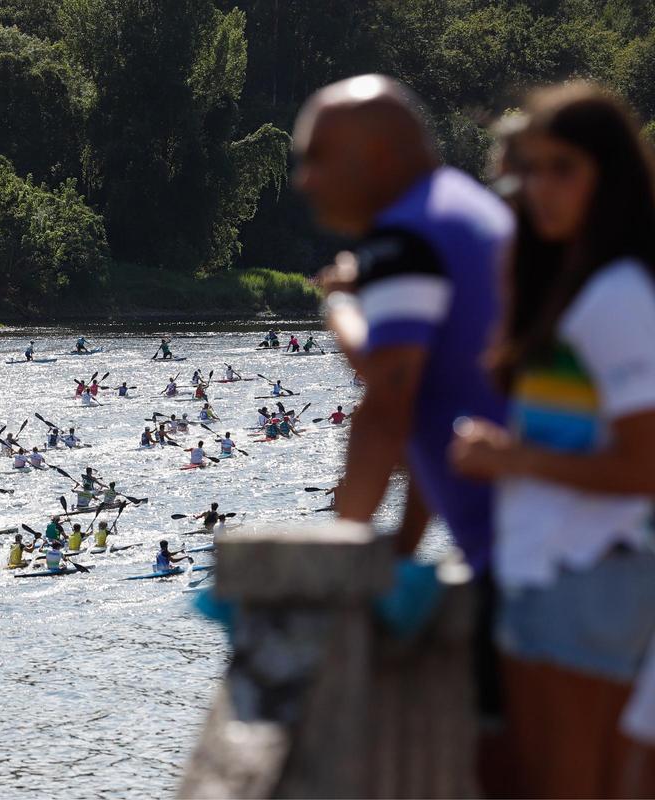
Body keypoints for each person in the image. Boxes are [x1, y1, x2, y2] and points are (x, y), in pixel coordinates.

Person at [296, 73, 513, 785]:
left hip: (533, 561)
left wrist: (338, 565)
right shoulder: (467, 210)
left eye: (316, 156)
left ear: (380, 156)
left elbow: (387, 403)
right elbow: (432, 411)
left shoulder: (405, 237)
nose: (303, 180)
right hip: (542, 545)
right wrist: (405, 544)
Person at [448, 84, 655, 798]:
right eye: (530, 170)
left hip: (590, 575)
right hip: (550, 574)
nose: (540, 188)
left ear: (610, 175)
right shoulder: (577, 286)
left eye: (562, 168)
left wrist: (510, 459)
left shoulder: (617, 297)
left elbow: (645, 465)